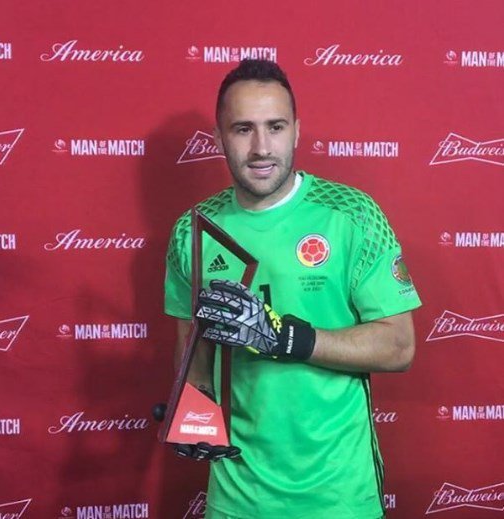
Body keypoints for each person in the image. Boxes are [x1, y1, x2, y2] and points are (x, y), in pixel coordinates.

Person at [164, 59, 421, 519]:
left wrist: (286, 339)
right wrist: (191, 413)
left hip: (339, 497)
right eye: (243, 129)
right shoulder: (193, 230)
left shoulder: (353, 215)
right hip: (237, 499)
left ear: (297, 131)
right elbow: (194, 361)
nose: (261, 147)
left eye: (275, 127)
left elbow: (399, 346)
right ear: (219, 137)